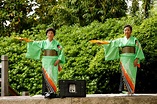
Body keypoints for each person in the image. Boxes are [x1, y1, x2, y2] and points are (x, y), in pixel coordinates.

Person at [94, 25, 145, 94]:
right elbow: (112, 43)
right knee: (124, 74)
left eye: (128, 30)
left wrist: (137, 58)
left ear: (131, 31)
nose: (126, 31)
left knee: (131, 74)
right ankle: (125, 90)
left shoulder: (135, 40)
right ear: (123, 31)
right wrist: (102, 43)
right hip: (123, 58)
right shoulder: (121, 40)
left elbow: (139, 49)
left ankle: (131, 90)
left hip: (132, 58)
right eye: (125, 30)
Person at [19, 27, 65, 98]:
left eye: (52, 33)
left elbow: (61, 51)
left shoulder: (57, 44)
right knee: (46, 75)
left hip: (54, 60)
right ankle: (46, 92)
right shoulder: (43, 42)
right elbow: (34, 43)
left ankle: (53, 92)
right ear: (47, 34)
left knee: (53, 76)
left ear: (54, 35)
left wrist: (58, 60)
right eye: (49, 33)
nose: (50, 34)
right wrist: (26, 40)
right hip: (46, 60)